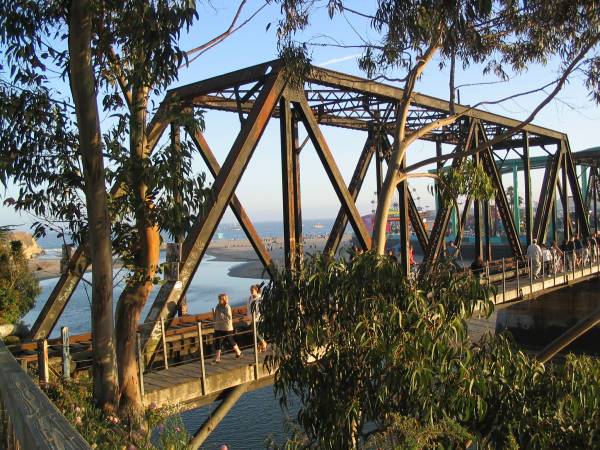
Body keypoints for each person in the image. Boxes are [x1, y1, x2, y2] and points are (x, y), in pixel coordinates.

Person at [213, 293, 242, 363]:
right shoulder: (217, 306)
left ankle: (238, 352)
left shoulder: (227, 307)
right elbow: (216, 315)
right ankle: (218, 357)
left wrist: (223, 316)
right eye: (219, 299)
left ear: (224, 300)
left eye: (221, 299)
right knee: (218, 341)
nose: (219, 300)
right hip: (219, 327)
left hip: (226, 327)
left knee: (230, 340)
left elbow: (229, 317)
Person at [247, 284, 267, 352]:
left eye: (252, 290)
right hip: (251, 318)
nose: (251, 292)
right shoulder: (250, 298)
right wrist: (248, 316)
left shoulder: (260, 298)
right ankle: (259, 347)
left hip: (258, 318)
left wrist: (256, 316)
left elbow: (260, 309)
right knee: (255, 333)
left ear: (256, 290)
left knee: (257, 333)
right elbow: (248, 308)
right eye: (251, 290)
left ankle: (263, 343)